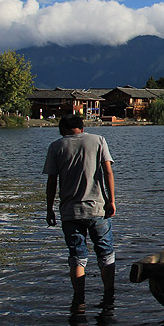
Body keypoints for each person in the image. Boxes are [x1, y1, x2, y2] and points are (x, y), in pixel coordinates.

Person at [43, 114, 116, 314]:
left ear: (62, 130)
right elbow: (108, 172)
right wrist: (112, 200)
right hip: (97, 208)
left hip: (69, 212)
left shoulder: (56, 147)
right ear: (81, 128)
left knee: (77, 256)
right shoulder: (98, 141)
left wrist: (49, 208)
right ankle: (109, 297)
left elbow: (51, 182)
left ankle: (79, 301)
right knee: (106, 254)